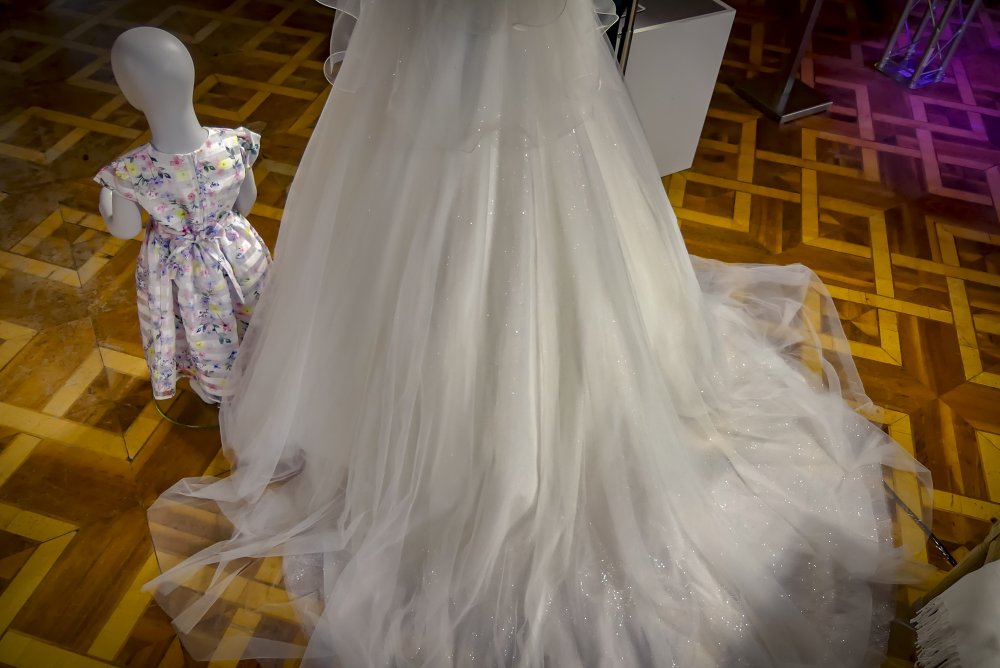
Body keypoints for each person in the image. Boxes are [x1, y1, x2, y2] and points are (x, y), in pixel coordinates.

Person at [144, 1, 932, 665]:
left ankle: (448, 423)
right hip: (452, 42)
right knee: (441, 184)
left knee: (484, 188)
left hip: (490, 45)